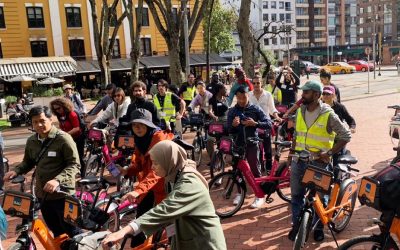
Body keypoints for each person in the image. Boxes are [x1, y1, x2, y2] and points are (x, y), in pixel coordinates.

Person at [102, 141, 227, 250]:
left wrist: (123, 231)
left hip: (204, 244)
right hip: (189, 237)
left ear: (168, 160)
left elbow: (164, 210)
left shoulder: (190, 184)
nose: (153, 168)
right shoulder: (174, 173)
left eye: (156, 163)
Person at [3, 105, 81, 238]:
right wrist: (16, 171)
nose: (39, 125)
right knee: (56, 231)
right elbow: (28, 162)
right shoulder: (32, 141)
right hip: (43, 196)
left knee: (74, 233)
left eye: (42, 121)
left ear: (51, 119)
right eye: (35, 122)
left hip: (64, 194)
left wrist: (57, 180)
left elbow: (74, 165)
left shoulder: (63, 138)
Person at [288, 80, 351, 242]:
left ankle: (318, 227)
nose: (303, 95)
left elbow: (345, 135)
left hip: (319, 163)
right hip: (298, 161)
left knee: (319, 199)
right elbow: (296, 135)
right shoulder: (300, 111)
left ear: (316, 95)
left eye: (306, 92)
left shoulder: (328, 114)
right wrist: (291, 154)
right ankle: (297, 225)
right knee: (296, 196)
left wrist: (329, 153)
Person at [118, 109, 173, 247]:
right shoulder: (140, 140)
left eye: (141, 124)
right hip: (148, 186)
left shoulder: (159, 140)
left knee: (170, 222)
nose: (137, 128)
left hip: (163, 185)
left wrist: (137, 190)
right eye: (134, 125)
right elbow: (139, 164)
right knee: (141, 217)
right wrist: (127, 170)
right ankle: (138, 246)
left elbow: (157, 172)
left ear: (148, 125)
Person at [227, 86, 272, 208]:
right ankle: (239, 193)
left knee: (255, 170)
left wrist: (255, 123)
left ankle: (259, 196)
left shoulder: (255, 109)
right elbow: (228, 130)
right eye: (239, 98)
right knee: (237, 171)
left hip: (252, 144)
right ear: (236, 97)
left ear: (248, 96)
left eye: (244, 97)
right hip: (238, 145)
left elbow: (269, 123)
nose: (241, 100)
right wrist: (233, 125)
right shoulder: (232, 111)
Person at [249, 73, 282, 171]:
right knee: (254, 149)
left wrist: (277, 117)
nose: (256, 85)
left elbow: (272, 109)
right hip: (252, 125)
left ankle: (269, 169)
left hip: (265, 125)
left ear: (262, 83)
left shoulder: (268, 95)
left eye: (258, 83)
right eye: (254, 83)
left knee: (268, 150)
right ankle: (257, 168)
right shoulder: (249, 95)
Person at [50, 98, 86, 177]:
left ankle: (83, 175)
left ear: (64, 106)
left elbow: (77, 128)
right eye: (55, 109)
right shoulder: (60, 115)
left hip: (78, 137)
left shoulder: (72, 114)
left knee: (79, 157)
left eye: (59, 108)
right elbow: (61, 126)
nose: (57, 110)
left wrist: (65, 134)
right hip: (69, 137)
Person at [321, 85, 356, 165]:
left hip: (338, 139)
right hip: (324, 139)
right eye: (324, 94)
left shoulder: (340, 107)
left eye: (328, 94)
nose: (325, 96)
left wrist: (352, 128)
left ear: (333, 95)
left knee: (337, 162)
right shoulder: (319, 107)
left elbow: (350, 120)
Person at [207, 83, 229, 161]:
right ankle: (213, 159)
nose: (226, 90)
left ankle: (224, 156)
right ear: (220, 90)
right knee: (209, 140)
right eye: (224, 89)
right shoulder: (212, 99)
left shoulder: (226, 99)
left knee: (226, 139)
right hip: (216, 121)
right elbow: (209, 111)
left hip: (226, 120)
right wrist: (213, 116)